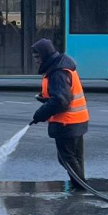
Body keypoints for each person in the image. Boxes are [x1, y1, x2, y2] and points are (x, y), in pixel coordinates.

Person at [29, 39, 89, 190]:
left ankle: (81, 187)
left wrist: (41, 113)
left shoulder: (57, 73)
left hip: (66, 123)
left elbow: (61, 101)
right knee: (75, 157)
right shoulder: (62, 66)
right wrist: (46, 100)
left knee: (67, 159)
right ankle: (81, 186)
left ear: (45, 55)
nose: (36, 61)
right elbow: (61, 96)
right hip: (77, 120)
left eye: (37, 58)